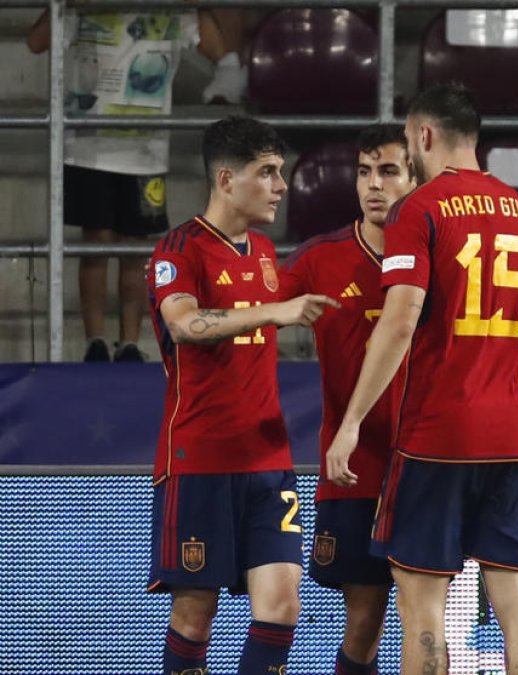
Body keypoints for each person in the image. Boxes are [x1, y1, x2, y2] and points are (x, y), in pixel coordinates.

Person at [323, 82, 518, 675]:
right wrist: (504, 332)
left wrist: (352, 422)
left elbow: (398, 320)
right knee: (516, 598)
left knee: (422, 604)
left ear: (423, 135)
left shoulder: (420, 210)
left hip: (437, 436)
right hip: (511, 440)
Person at [146, 116, 338, 675]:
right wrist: (275, 311)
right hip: (200, 459)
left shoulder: (261, 251)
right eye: (268, 172)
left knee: (281, 606)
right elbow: (182, 324)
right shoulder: (179, 247)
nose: (281, 185)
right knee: (195, 609)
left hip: (269, 462)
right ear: (227, 179)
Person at [277, 124, 417, 675]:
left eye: (388, 171)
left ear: (415, 177)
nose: (374, 186)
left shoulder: (446, 257)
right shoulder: (318, 260)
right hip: (354, 465)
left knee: (421, 614)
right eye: (364, 173)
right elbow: (254, 314)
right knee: (364, 617)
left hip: (430, 462)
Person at [26, 9, 206, 361]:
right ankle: (94, 341)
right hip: (88, 148)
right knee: (96, 243)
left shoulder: (169, 9)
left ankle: (130, 343)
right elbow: (36, 42)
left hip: (146, 150)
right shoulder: (85, 5)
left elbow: (216, 43)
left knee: (135, 250)